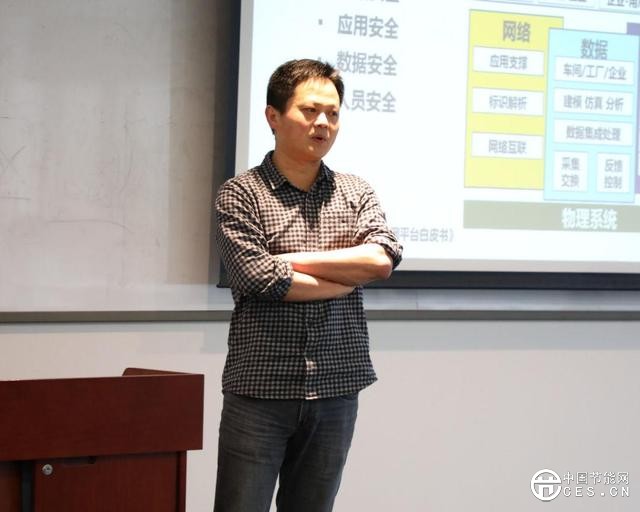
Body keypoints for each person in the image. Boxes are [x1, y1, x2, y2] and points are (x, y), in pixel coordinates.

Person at [213, 58, 402, 512]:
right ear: (273, 116)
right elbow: (258, 277)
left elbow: (380, 260)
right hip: (260, 390)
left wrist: (290, 261)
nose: (323, 124)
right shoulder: (240, 194)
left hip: (337, 386)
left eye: (333, 113)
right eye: (310, 110)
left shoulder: (355, 192)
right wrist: (343, 280)